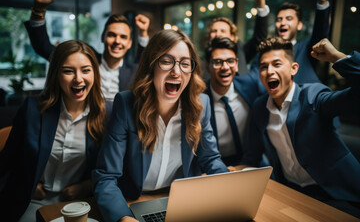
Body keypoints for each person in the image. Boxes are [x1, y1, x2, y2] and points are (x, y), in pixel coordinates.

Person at [93, 29, 229, 222]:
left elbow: (211, 159)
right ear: (151, 65)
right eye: (166, 61)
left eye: (185, 63)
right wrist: (123, 218)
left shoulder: (201, 104)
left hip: (182, 203)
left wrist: (231, 190)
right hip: (134, 202)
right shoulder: (126, 104)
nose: (176, 71)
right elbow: (106, 176)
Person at [242, 37, 360, 217]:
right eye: (264, 67)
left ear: (293, 69)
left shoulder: (313, 96)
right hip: (292, 192)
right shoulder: (259, 108)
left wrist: (337, 57)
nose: (269, 71)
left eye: (277, 64)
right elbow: (252, 156)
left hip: (337, 196)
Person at [0, 40, 108, 222]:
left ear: (95, 74)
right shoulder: (32, 110)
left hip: (80, 203)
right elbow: (7, 161)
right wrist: (26, 184)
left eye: (86, 70)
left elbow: (114, 170)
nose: (78, 78)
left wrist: (87, 185)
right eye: (68, 71)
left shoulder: (108, 115)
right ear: (56, 74)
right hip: (31, 201)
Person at [24, 0, 150, 101]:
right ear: (103, 37)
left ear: (129, 43)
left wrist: (143, 33)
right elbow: (44, 48)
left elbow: (143, 59)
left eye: (123, 37)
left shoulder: (134, 70)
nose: (117, 41)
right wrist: (38, 11)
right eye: (112, 35)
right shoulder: (86, 59)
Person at [251, 0, 330, 84]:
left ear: (299, 25)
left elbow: (320, 31)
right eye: (279, 19)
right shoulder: (264, 53)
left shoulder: (307, 49)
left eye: (289, 19)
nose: (283, 23)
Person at [204, 37, 265, 166]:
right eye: (218, 62)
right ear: (208, 66)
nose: (225, 67)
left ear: (237, 64)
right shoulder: (200, 98)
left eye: (230, 61)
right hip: (212, 166)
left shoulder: (250, 85)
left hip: (250, 161)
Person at [206, 0, 269, 75]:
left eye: (222, 31)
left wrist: (260, 3)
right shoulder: (204, 59)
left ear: (232, 36)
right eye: (214, 31)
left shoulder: (240, 52)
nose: (218, 34)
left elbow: (259, 37)